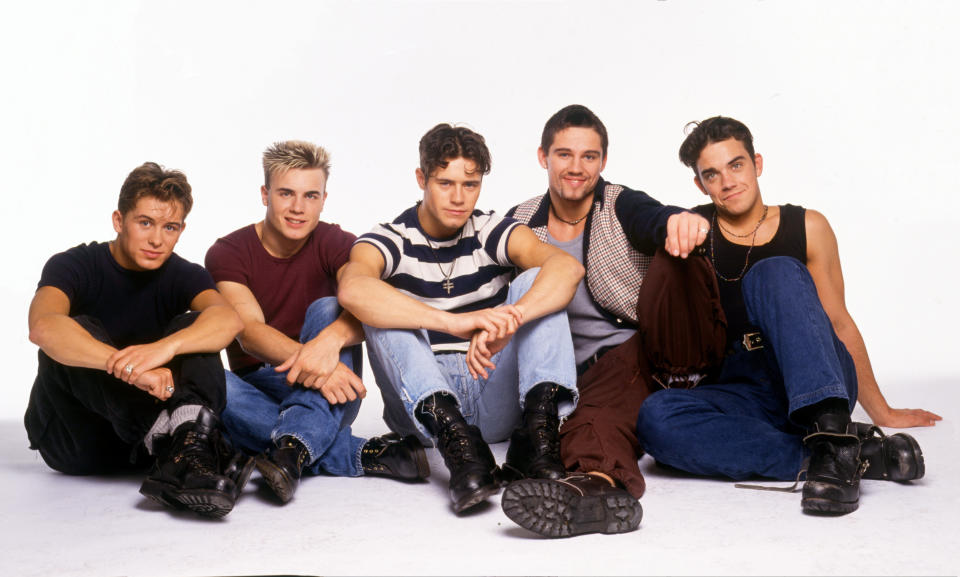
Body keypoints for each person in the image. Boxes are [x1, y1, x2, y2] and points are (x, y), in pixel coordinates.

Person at [635, 116, 940, 515]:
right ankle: (845, 455)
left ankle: (829, 428)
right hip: (749, 389)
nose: (728, 181)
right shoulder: (695, 229)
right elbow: (640, 222)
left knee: (774, 270)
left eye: (736, 165)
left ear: (757, 163)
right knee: (656, 418)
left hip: (819, 377)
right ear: (700, 185)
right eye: (712, 174)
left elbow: (838, 321)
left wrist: (881, 409)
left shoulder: (807, 226)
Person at [338, 123, 584, 514]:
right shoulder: (391, 237)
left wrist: (513, 319)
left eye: (469, 185)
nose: (458, 197)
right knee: (382, 299)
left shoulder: (490, 229)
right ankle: (460, 451)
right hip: (422, 404)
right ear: (422, 179)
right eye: (445, 183)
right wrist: (453, 323)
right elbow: (352, 290)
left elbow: (567, 268)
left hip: (490, 385)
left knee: (539, 278)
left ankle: (536, 439)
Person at [501, 104, 715, 537]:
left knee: (676, 257)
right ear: (543, 157)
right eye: (564, 155)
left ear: (603, 161)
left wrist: (680, 222)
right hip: (574, 374)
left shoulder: (619, 204)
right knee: (588, 410)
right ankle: (586, 481)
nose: (577, 168)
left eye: (589, 156)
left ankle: (592, 483)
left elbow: (654, 217)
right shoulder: (519, 222)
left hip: (644, 348)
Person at [205, 140, 429, 505]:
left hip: (333, 391)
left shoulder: (337, 242)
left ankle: (291, 449)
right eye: (286, 194)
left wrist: (328, 346)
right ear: (265, 194)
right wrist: (317, 366)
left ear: (324, 198)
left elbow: (377, 305)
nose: (297, 208)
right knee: (208, 380)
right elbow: (248, 333)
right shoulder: (227, 252)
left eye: (311, 196)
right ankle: (358, 454)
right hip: (264, 388)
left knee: (328, 308)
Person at [25, 162, 251, 518]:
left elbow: (228, 321)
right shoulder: (74, 265)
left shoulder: (183, 274)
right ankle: (198, 447)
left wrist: (164, 348)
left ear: (181, 230)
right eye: (145, 222)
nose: (157, 239)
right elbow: (43, 327)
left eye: (170, 227)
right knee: (74, 329)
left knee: (197, 326)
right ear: (119, 221)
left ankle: (186, 452)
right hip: (76, 440)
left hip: (146, 450)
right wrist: (132, 368)